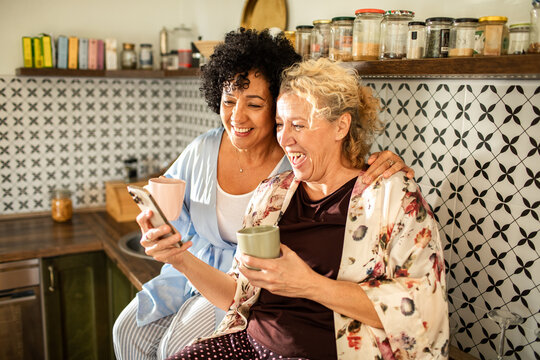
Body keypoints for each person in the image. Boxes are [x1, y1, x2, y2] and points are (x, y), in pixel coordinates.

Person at [113, 29, 414, 360]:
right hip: (207, 274)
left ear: (273, 106)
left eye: (254, 104)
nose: (237, 117)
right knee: (126, 331)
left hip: (255, 295)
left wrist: (388, 162)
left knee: (175, 346)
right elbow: (165, 201)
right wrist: (157, 230)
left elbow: (346, 162)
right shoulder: (222, 160)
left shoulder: (301, 166)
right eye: (228, 101)